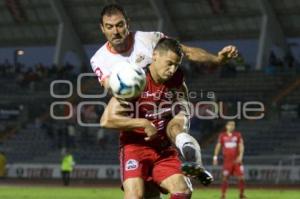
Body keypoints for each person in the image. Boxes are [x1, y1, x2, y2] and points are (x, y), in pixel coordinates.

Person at [91, 4, 238, 198]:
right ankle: (189, 154)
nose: (116, 31)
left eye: (120, 25)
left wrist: (217, 59)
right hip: (135, 130)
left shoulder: (149, 39)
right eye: (109, 27)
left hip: (161, 121)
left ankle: (190, 154)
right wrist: (133, 91)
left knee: (176, 131)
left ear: (128, 24)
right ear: (102, 28)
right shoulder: (99, 59)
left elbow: (185, 52)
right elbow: (112, 89)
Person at [100, 38, 213, 199]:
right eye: (169, 63)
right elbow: (107, 120)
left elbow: (184, 103)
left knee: (183, 190)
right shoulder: (135, 78)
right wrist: (143, 123)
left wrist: (181, 119)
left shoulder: (176, 80)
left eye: (176, 65)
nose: (172, 69)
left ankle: (194, 160)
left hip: (163, 150)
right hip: (135, 148)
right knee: (136, 196)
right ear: (155, 56)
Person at [213, 120, 246, 199]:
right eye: (230, 125)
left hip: (236, 161)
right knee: (224, 178)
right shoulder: (222, 135)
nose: (232, 126)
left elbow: (241, 145)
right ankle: (223, 195)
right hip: (227, 161)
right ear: (226, 126)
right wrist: (215, 157)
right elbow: (218, 146)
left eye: (233, 125)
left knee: (241, 178)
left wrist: (241, 156)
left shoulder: (237, 135)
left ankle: (241, 194)